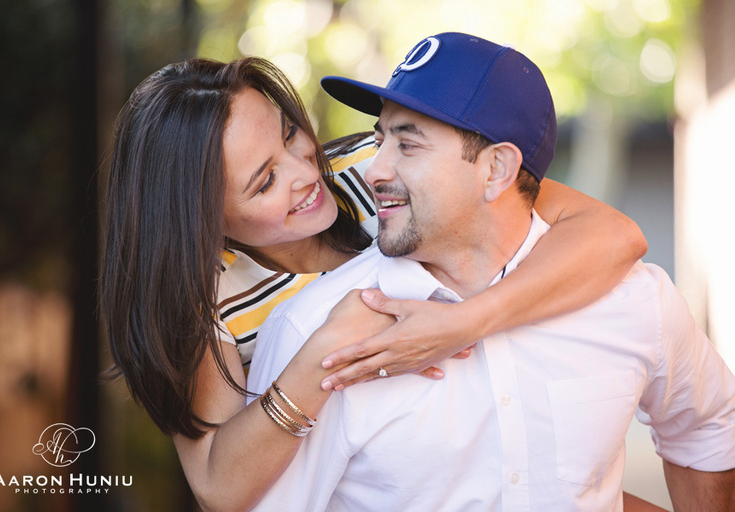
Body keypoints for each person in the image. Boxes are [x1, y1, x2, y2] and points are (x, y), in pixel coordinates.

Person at [99, 54, 649, 511]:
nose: (306, 173)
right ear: (201, 216)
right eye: (266, 181)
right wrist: (323, 353)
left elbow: (612, 235)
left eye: (291, 135)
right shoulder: (204, 301)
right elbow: (220, 487)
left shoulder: (375, 166)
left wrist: (463, 323)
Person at [247, 32, 735, 511]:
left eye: (408, 145)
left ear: (497, 170)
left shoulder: (633, 301)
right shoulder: (313, 334)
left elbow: (709, 429)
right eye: (379, 142)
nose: (373, 170)